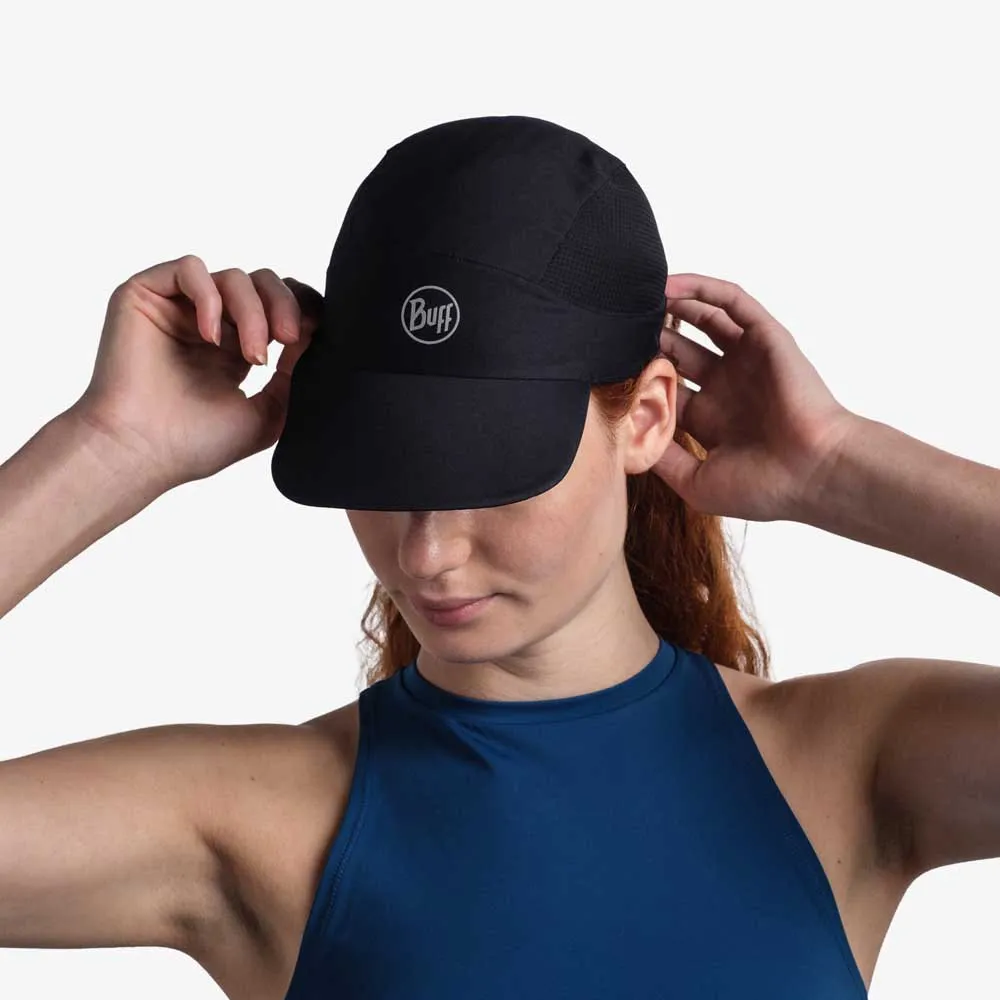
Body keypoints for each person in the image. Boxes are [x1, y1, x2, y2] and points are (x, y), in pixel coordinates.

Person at [2, 117, 1000, 1000]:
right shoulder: (255, 820)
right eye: (381, 469)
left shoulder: (850, 765)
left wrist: (837, 465)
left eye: (492, 477)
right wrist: (107, 450)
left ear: (647, 417)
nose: (426, 550)